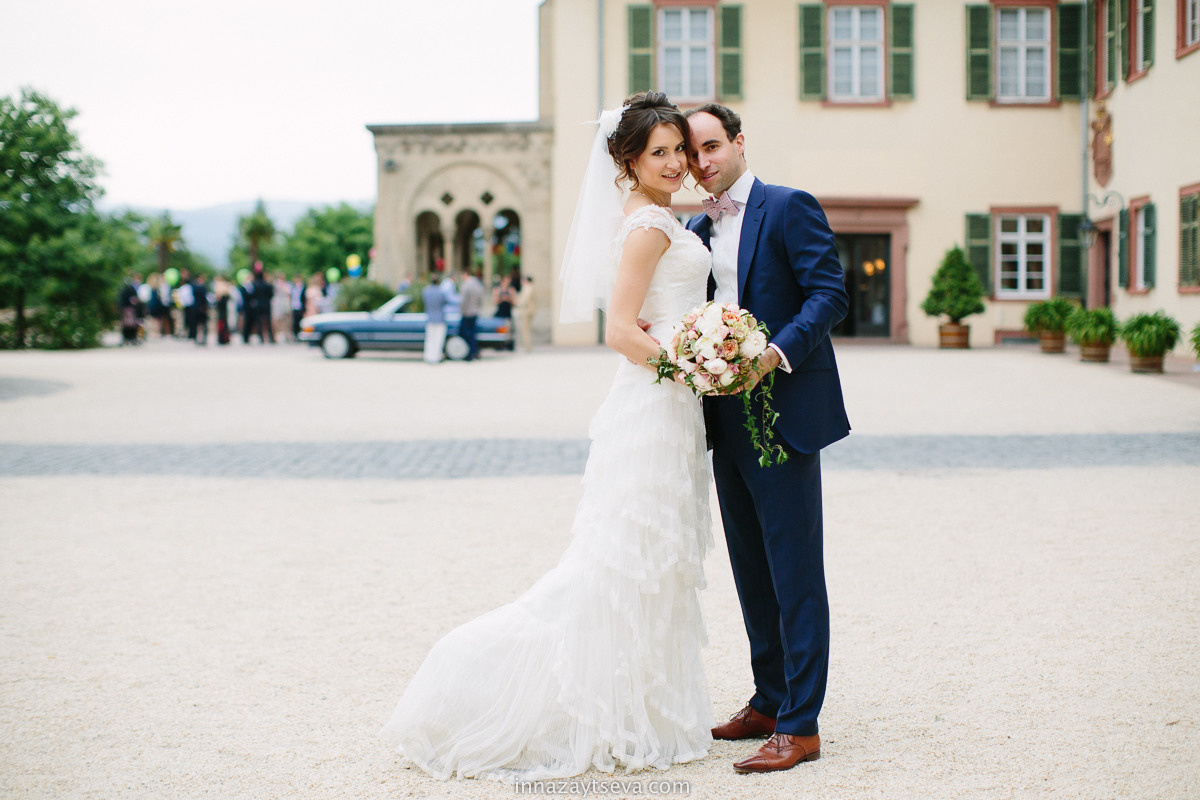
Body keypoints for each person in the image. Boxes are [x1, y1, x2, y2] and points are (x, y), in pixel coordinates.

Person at [381, 92, 713, 780]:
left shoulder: (652, 216)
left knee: (647, 556)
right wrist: (697, 367)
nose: (677, 162)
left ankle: (636, 703)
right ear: (627, 161)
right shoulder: (650, 225)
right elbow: (621, 330)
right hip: (658, 400)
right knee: (628, 556)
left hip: (663, 401)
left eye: (680, 149)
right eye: (661, 152)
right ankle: (512, 681)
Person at [683, 103, 850, 773]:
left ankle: (802, 726)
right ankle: (770, 699)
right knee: (751, 569)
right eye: (692, 152)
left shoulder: (787, 206)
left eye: (712, 145)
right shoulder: (695, 228)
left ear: (740, 142)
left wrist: (774, 353)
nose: (703, 161)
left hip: (781, 411)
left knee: (795, 572)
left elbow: (829, 293)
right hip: (721, 417)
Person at [457, 269, 485, 361]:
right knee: (473, 333)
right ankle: (474, 351)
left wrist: (461, 310)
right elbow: (481, 299)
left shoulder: (466, 285)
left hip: (467, 312)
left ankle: (468, 353)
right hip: (475, 311)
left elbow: (463, 301)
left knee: (465, 334)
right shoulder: (478, 285)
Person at [421, 277, 447, 364]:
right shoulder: (440, 292)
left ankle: (428, 357)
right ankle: (436, 357)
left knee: (429, 338)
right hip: (439, 318)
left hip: (430, 317)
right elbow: (444, 302)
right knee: (438, 339)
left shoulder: (426, 291)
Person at [514, 275, 537, 352]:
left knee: (525, 330)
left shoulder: (527, 288)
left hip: (526, 311)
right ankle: (528, 347)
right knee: (527, 330)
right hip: (529, 311)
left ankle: (527, 347)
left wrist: (518, 303)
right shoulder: (531, 287)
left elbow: (525, 300)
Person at [290, 274, 307, 340]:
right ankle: (295, 335)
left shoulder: (303, 288)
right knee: (295, 322)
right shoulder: (293, 288)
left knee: (301, 321)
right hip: (295, 307)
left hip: (300, 307)